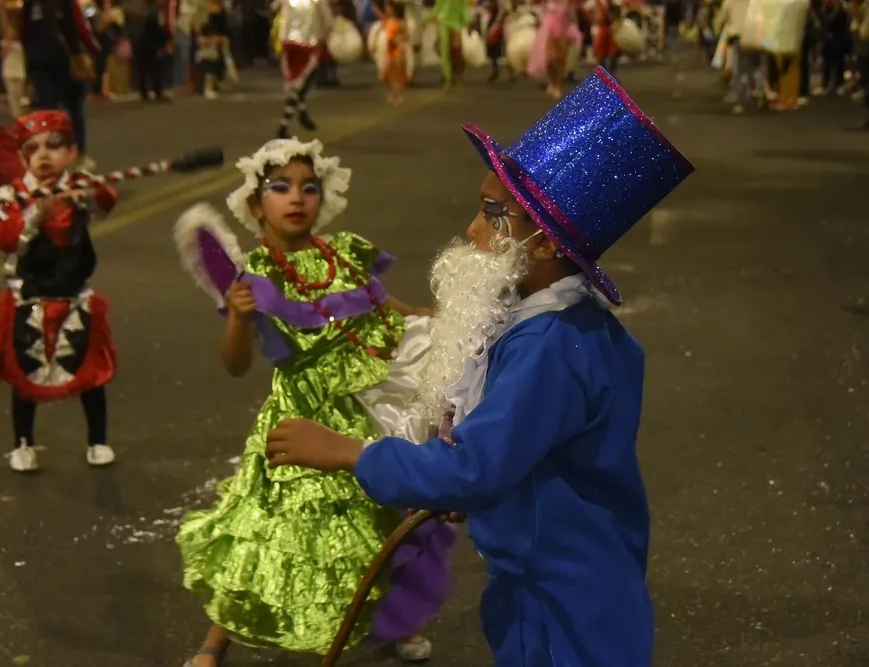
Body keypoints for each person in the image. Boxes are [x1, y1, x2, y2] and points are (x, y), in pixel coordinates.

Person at [264, 67, 695, 667]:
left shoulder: (550, 345)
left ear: (544, 244)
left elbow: (475, 466)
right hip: (554, 578)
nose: (471, 230)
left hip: (565, 599)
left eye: (494, 214)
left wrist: (350, 452)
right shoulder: (560, 325)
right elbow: (524, 451)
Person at [175, 137, 454, 667]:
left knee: (384, 514)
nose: (296, 198)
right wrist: (236, 317)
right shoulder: (255, 276)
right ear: (257, 206)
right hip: (302, 414)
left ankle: (397, 624)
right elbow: (235, 365)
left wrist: (422, 315)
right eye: (280, 188)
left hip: (370, 400)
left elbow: (378, 303)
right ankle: (215, 642)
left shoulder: (343, 251)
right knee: (267, 528)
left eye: (308, 188)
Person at [0, 110, 118, 472]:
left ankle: (98, 440)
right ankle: (23, 443)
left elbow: (107, 201)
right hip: (29, 298)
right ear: (23, 157)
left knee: (91, 373)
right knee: (24, 375)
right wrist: (34, 215)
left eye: (54, 146)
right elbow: (3, 237)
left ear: (71, 151)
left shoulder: (78, 185)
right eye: (33, 148)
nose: (44, 156)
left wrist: (89, 189)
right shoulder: (12, 193)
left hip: (75, 296)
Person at [20, 0, 101, 171]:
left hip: (40, 63)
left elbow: (23, 34)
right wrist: (93, 50)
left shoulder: (30, 3)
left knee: (48, 111)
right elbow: (80, 28)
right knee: (74, 109)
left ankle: (51, 159)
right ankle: (79, 156)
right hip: (64, 60)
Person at [273, 0, 333, 137]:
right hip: (308, 44)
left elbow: (280, 15)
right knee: (303, 83)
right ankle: (284, 123)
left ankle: (302, 111)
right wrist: (326, 36)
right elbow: (328, 21)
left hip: (288, 43)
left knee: (294, 81)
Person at [528, 0, 581, 98]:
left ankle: (559, 84)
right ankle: (552, 82)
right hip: (548, 27)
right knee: (549, 58)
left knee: (560, 58)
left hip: (563, 27)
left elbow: (572, 13)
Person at [382, 1, 410, 104]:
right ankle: (392, 92)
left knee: (398, 74)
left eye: (389, 7)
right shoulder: (387, 21)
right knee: (386, 74)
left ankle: (398, 94)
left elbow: (406, 36)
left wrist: (398, 39)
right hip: (389, 50)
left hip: (397, 50)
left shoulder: (400, 23)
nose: (387, 9)